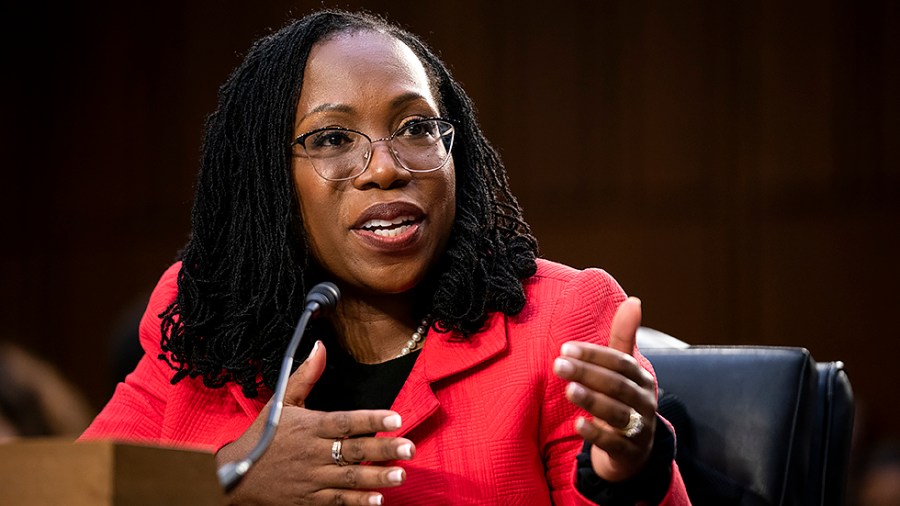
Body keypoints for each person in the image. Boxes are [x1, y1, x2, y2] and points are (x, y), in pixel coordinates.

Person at [80, 9, 690, 505]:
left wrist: (626, 472)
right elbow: (76, 491)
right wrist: (227, 481)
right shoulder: (206, 315)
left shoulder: (559, 320)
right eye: (332, 139)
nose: (386, 167)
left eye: (417, 127)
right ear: (268, 179)